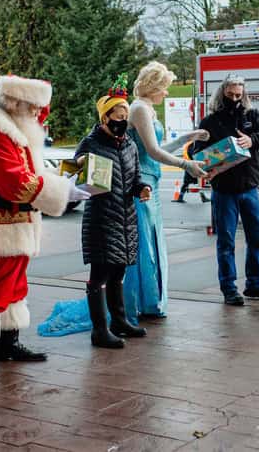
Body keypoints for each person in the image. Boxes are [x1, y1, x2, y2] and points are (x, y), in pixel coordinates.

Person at [0, 76, 87, 379]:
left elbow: (30, 168)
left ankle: (8, 343)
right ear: (20, 104)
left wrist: (62, 180)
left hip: (12, 221)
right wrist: (62, 191)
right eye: (37, 109)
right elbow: (16, 181)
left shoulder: (11, 125)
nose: (40, 116)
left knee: (13, 285)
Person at [125, 62, 208, 318]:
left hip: (150, 179)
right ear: (154, 86)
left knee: (150, 239)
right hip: (142, 182)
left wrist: (186, 138)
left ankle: (147, 301)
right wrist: (186, 164)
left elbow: (157, 150)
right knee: (143, 242)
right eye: (165, 88)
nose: (167, 93)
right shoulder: (139, 108)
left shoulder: (145, 108)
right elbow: (152, 151)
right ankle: (140, 302)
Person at [74, 77, 152, 348]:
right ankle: (100, 330)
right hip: (101, 218)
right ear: (105, 117)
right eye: (118, 116)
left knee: (119, 272)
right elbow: (76, 180)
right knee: (100, 274)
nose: (123, 121)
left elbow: (136, 178)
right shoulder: (90, 143)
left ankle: (119, 321)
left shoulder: (129, 144)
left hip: (125, 216)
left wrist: (142, 188)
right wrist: (81, 168)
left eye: (126, 116)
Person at [193, 75, 259, 304]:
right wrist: (213, 160)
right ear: (222, 93)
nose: (234, 99)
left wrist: (251, 140)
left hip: (249, 186)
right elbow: (197, 151)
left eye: (238, 95)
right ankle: (229, 288)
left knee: (257, 238)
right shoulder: (211, 120)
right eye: (230, 95)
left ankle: (255, 283)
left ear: (244, 94)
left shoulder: (251, 114)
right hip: (224, 189)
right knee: (226, 241)